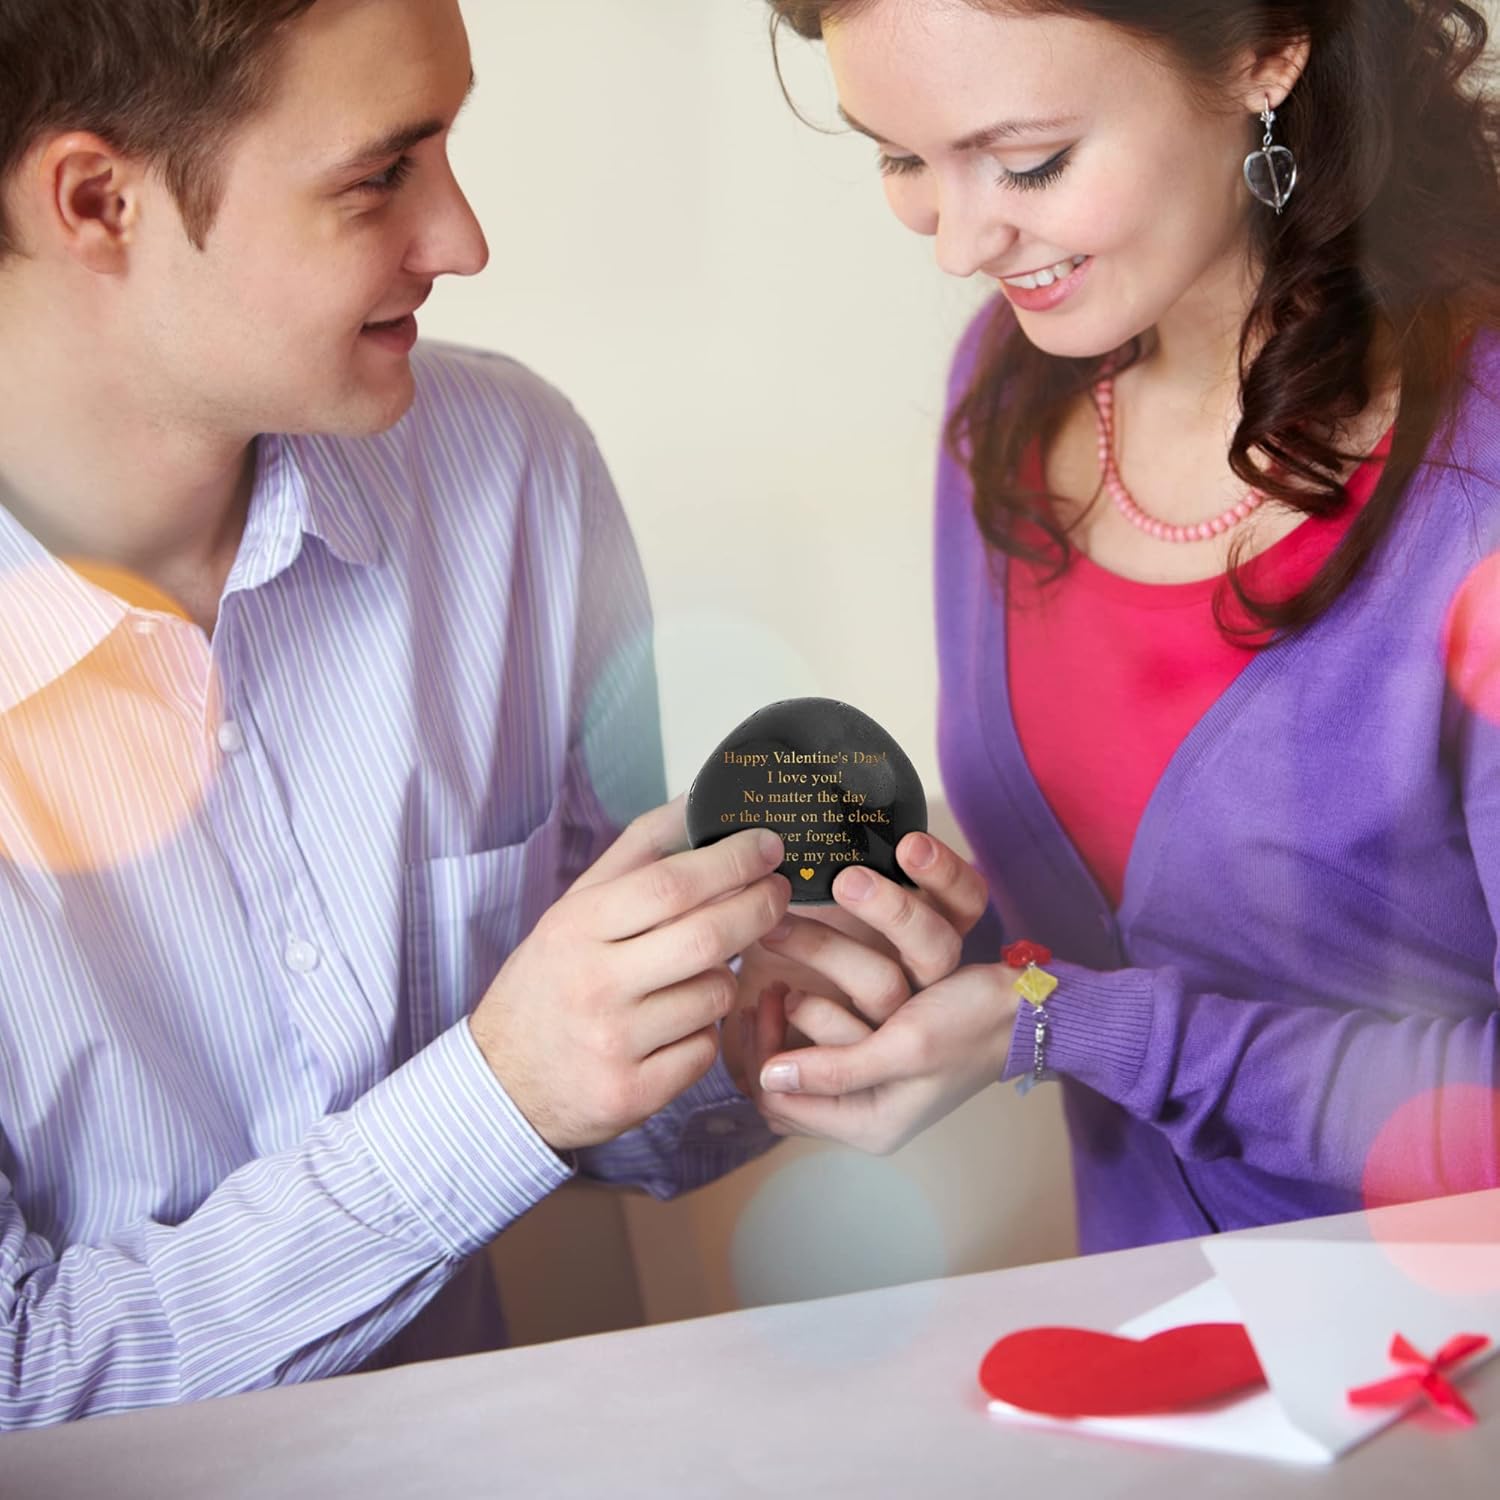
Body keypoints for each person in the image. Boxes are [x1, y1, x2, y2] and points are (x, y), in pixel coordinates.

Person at [0, 0, 813, 1430]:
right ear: (96, 201)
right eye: (381, 176)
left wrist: (761, 1026)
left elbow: (610, 1112)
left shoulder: (511, 475)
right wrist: (496, 1101)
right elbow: (18, 1379)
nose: (462, 240)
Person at [744, 0, 1500, 1254]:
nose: (961, 238)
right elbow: (1095, 928)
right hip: (1155, 1357)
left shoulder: (1474, 479)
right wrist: (895, 949)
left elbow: (1095, 1004)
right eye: (899, 157)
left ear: (1269, 50)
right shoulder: (1014, 390)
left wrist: (1064, 1027)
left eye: (1029, 160)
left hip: (1444, 1380)